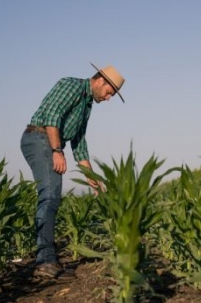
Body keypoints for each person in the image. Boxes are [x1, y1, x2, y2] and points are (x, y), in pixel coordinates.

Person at [20, 62, 125, 279]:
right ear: (100, 80)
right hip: (39, 138)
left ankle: (47, 259)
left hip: (47, 141)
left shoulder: (87, 105)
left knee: (51, 197)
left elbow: (79, 143)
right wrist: (57, 150)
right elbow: (52, 114)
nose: (108, 98)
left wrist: (92, 179)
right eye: (109, 93)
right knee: (49, 197)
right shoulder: (72, 86)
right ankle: (45, 262)